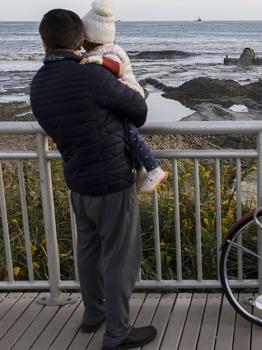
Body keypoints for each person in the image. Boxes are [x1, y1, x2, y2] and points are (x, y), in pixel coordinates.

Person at [30, 9, 156, 350]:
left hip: (78, 179)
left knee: (88, 251)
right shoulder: (92, 76)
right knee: (120, 258)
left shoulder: (38, 84)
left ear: (44, 42)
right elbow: (139, 111)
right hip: (112, 180)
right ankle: (117, 333)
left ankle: (93, 314)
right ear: (81, 40)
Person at [80, 0, 168, 193]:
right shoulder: (105, 49)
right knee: (125, 131)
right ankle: (141, 168)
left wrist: (97, 60)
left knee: (130, 132)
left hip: (132, 93)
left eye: (83, 37)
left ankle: (154, 168)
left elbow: (118, 69)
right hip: (126, 95)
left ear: (91, 38)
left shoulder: (110, 52)